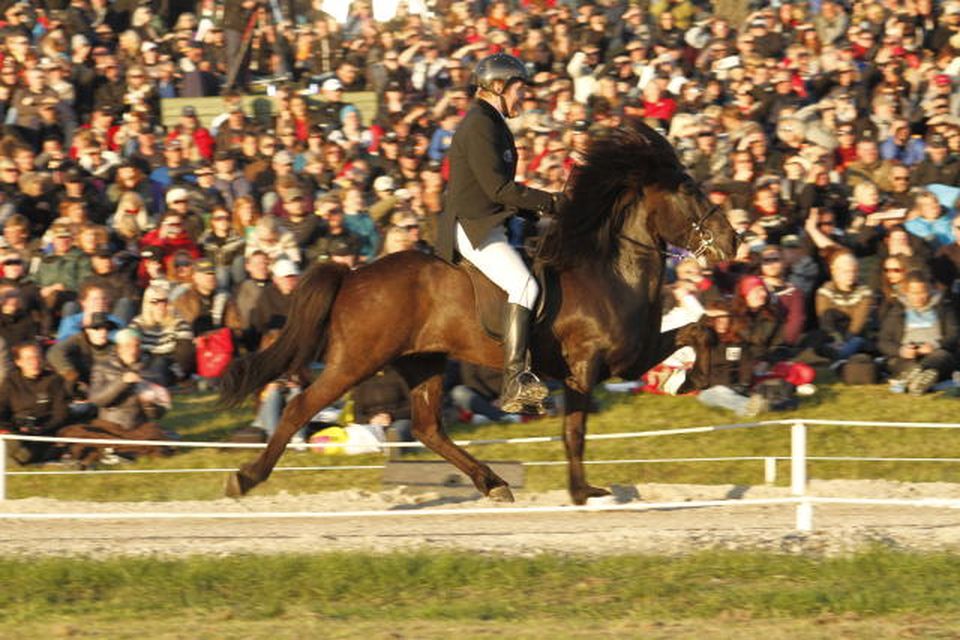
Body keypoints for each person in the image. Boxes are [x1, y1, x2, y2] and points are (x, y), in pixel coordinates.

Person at [437, 53, 565, 414]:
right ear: (498, 87)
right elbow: (499, 189)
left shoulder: (492, 122)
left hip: (493, 220)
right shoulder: (480, 124)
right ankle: (515, 380)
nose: (523, 97)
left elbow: (501, 191)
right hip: (474, 227)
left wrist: (542, 210)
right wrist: (552, 202)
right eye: (519, 89)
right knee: (525, 286)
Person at [61, 328, 173, 466]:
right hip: (109, 426)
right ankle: (119, 451)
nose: (133, 350)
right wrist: (122, 382)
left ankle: (118, 452)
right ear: (118, 348)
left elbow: (158, 414)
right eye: (128, 346)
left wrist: (148, 404)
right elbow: (97, 400)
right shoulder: (102, 367)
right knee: (78, 436)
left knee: (158, 439)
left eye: (136, 345)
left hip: (137, 428)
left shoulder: (149, 369)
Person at [878, 272, 958, 396]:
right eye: (914, 293)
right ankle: (916, 376)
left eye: (923, 292)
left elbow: (954, 334)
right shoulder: (897, 311)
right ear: (906, 292)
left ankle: (918, 377)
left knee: (941, 356)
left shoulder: (944, 308)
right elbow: (883, 341)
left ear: (930, 290)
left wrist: (935, 346)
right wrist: (901, 350)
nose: (919, 297)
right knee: (898, 363)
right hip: (907, 356)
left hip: (935, 354)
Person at [0, 341, 71, 465]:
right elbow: (2, 410)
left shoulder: (54, 380)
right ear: (18, 362)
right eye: (28, 358)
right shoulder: (10, 382)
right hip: (17, 432)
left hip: (46, 431)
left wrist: (42, 428)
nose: (34, 362)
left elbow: (61, 414)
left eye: (37, 357)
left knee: (26, 454)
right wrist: (14, 428)